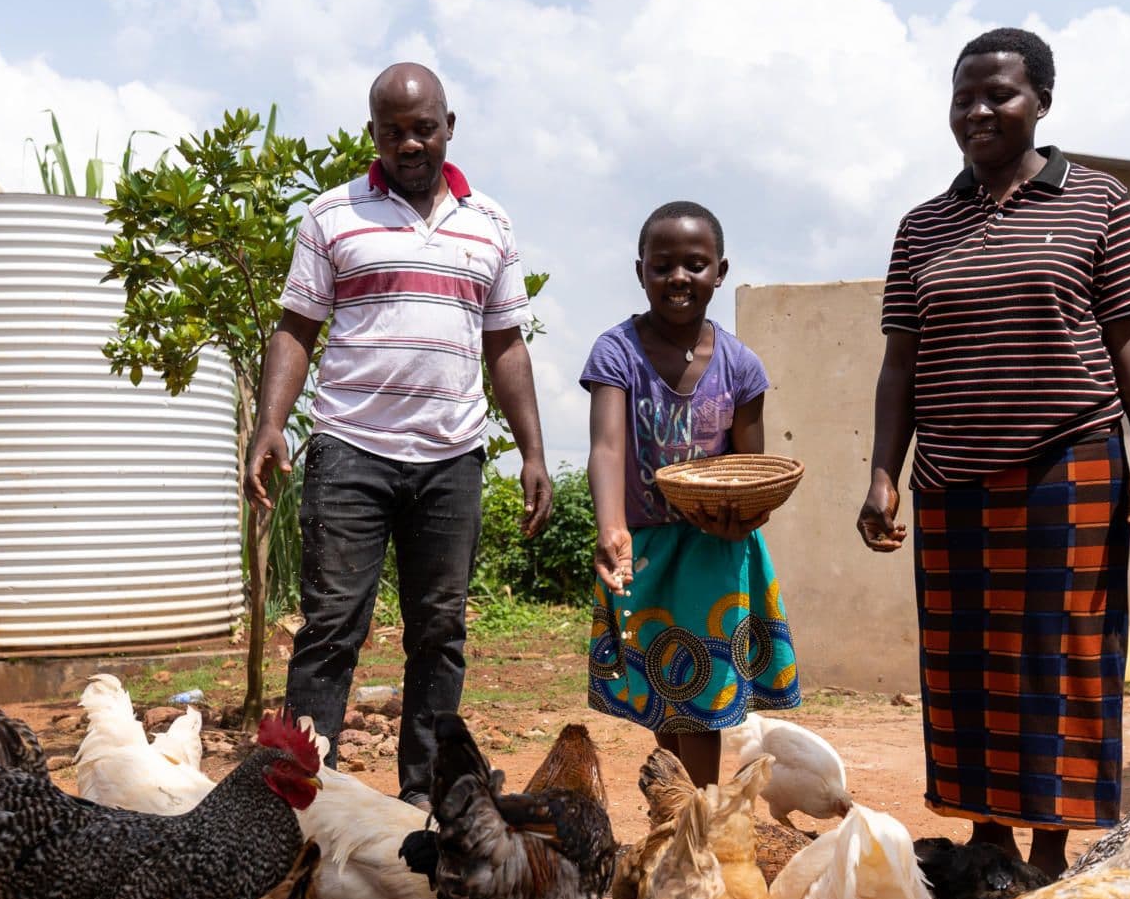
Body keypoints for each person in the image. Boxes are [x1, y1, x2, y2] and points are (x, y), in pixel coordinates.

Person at [856, 27, 1130, 877]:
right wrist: (885, 475)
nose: (979, 111)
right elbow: (901, 364)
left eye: (998, 94)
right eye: (964, 97)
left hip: (1070, 463)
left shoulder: (1098, 200)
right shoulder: (923, 227)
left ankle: (1049, 853)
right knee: (966, 665)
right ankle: (987, 852)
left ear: (1041, 102)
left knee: (1061, 658)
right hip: (953, 477)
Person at [246, 62, 553, 806]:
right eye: (392, 130)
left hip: (451, 458)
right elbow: (296, 328)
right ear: (373, 133)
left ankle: (425, 799)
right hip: (351, 451)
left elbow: (505, 344)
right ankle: (302, 804)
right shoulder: (331, 216)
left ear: (449, 127)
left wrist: (535, 451)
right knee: (331, 628)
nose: (409, 142)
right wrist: (270, 424)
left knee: (439, 630)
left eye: (423, 127)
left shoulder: (492, 223)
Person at [584, 201, 800, 788]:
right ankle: (686, 810)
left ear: (720, 271)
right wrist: (611, 529)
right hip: (644, 546)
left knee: (700, 696)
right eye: (664, 266)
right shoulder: (616, 353)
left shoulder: (740, 366)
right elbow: (606, 449)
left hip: (713, 549)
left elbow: (749, 470)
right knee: (662, 689)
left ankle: (699, 823)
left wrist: (740, 521)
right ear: (641, 271)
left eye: (696, 265)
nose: (679, 278)